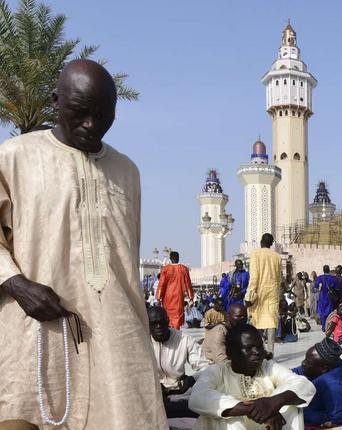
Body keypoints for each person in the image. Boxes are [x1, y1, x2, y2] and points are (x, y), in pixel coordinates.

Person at [0, 59, 169, 428]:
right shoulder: (13, 156)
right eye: (80, 112)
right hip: (38, 328)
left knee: (125, 412)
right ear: (55, 100)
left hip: (117, 330)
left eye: (103, 115)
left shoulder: (127, 170)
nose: (92, 125)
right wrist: (16, 283)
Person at [188, 324, 316, 429]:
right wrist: (248, 409)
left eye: (260, 347)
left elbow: (305, 385)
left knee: (290, 404)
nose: (257, 352)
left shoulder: (267, 366)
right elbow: (197, 397)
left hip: (267, 425)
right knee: (227, 416)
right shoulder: (217, 371)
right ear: (230, 353)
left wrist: (273, 403)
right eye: (248, 348)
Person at [292, 339, 342, 428]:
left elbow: (335, 419)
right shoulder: (325, 362)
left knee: (295, 413)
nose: (303, 363)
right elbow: (296, 371)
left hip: (322, 409)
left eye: (308, 362)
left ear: (324, 369)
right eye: (305, 359)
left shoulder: (333, 386)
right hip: (323, 395)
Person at [148, 307, 209, 418]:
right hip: (152, 394)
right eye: (153, 323)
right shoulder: (143, 342)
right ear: (147, 325)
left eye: (162, 322)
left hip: (180, 392)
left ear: (167, 321)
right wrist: (152, 385)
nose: (158, 327)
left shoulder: (184, 339)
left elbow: (205, 367)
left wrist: (192, 379)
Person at [246, 233, 282, 355]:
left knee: (256, 319)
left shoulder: (255, 254)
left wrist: (249, 295)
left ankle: (258, 349)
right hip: (273, 291)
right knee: (271, 320)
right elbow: (279, 278)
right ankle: (270, 351)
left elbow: (254, 276)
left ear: (261, 242)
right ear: (271, 244)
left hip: (259, 291)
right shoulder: (277, 257)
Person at [157, 251, 195, 329]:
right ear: (178, 258)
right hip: (178, 296)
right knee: (177, 316)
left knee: (168, 315)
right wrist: (191, 297)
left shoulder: (165, 269)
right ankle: (176, 332)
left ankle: (169, 332)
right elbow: (188, 284)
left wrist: (158, 298)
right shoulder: (184, 269)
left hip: (167, 297)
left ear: (170, 258)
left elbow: (161, 285)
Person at [314, 265, 340, 329]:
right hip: (330, 297)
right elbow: (337, 288)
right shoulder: (333, 278)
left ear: (323, 270)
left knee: (322, 312)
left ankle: (323, 325)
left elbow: (315, 288)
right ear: (329, 270)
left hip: (322, 297)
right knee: (329, 311)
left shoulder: (320, 278)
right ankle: (328, 325)